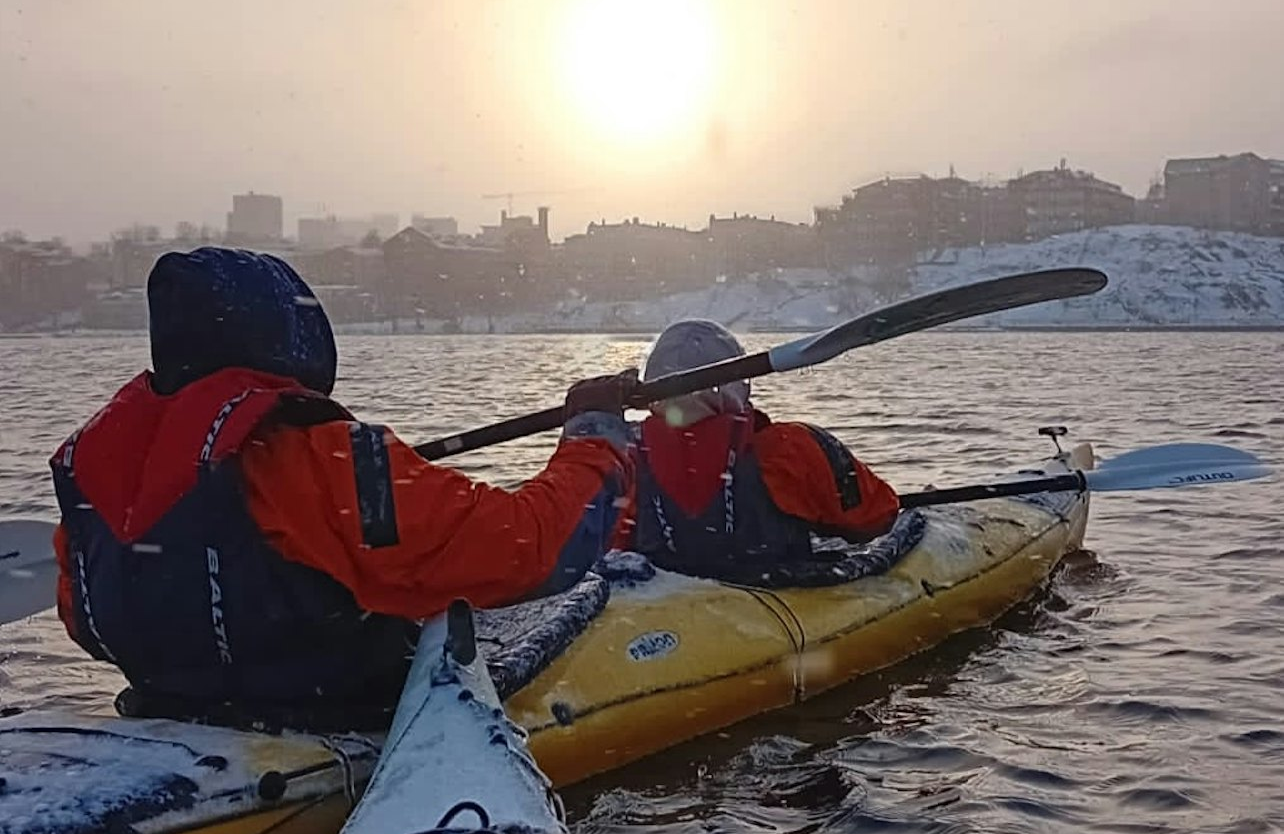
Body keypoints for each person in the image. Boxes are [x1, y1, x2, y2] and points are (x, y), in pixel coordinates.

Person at [50, 247, 634, 728]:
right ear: (288, 334)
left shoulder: (94, 466)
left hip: (166, 717)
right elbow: (528, 553)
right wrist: (594, 437)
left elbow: (82, 623)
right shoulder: (324, 458)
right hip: (327, 722)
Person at [620, 318, 899, 580]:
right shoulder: (789, 447)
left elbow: (603, 544)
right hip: (779, 600)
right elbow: (877, 517)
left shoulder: (621, 457)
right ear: (737, 386)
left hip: (665, 611)